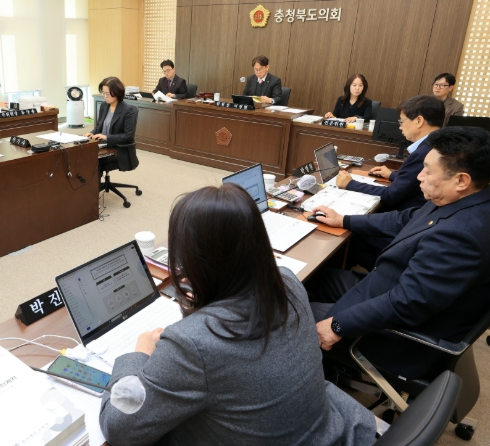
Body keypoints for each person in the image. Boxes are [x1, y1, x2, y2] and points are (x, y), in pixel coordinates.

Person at [99, 184, 377, 445]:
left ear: (192, 258)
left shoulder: (191, 344)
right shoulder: (287, 281)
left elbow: (119, 427)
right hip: (325, 431)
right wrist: (209, 300)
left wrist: (138, 355)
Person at [309, 126, 490, 379]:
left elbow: (408, 302)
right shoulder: (468, 198)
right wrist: (343, 220)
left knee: (292, 316)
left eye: (428, 171)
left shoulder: (462, 235)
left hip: (400, 336)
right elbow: (406, 219)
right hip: (388, 285)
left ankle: (318, 374)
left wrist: (337, 326)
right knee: (318, 279)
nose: (419, 176)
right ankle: (326, 365)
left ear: (461, 180)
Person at [336, 95, 444, 213]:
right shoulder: (439, 143)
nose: (400, 127)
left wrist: (350, 184)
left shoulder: (424, 153)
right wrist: (392, 175)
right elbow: (413, 182)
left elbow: (390, 195)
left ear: (419, 121)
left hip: (405, 214)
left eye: (402, 121)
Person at [86, 77, 138, 175]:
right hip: (103, 145)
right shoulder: (104, 105)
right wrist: (91, 133)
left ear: (117, 92)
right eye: (103, 93)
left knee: (91, 161)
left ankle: (95, 185)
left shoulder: (127, 110)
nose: (105, 96)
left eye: (108, 94)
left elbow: (128, 136)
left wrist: (106, 137)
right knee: (81, 155)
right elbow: (99, 126)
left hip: (118, 149)